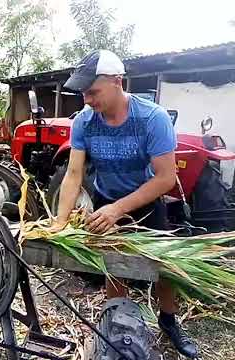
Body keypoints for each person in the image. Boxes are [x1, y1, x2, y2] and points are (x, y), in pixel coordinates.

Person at [56, 49, 198, 359]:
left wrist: (119, 209)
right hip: (107, 200)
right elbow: (73, 174)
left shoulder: (152, 118)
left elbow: (165, 179)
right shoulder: (84, 121)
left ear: (117, 81)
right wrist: (58, 223)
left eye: (93, 92)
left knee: (164, 269)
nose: (87, 100)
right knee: (113, 267)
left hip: (146, 202)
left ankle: (168, 320)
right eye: (83, 93)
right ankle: (117, 323)